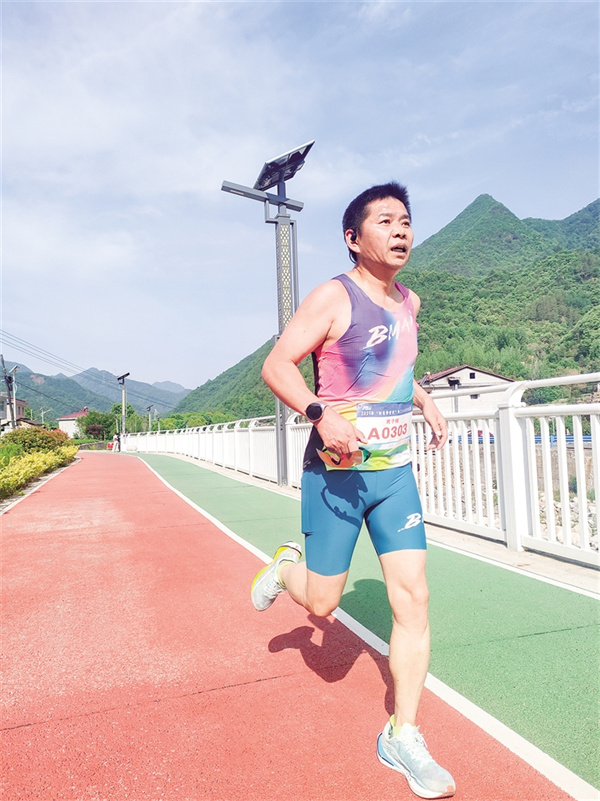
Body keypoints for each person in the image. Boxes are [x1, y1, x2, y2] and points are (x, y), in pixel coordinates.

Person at [251, 182, 455, 800]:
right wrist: (319, 414)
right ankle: (286, 567)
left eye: (406, 221)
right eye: (385, 221)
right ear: (353, 237)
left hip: (394, 475)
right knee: (321, 605)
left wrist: (424, 400)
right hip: (336, 476)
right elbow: (277, 365)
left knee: (413, 599)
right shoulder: (332, 297)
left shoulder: (409, 301)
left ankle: (403, 733)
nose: (401, 230)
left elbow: (397, 365)